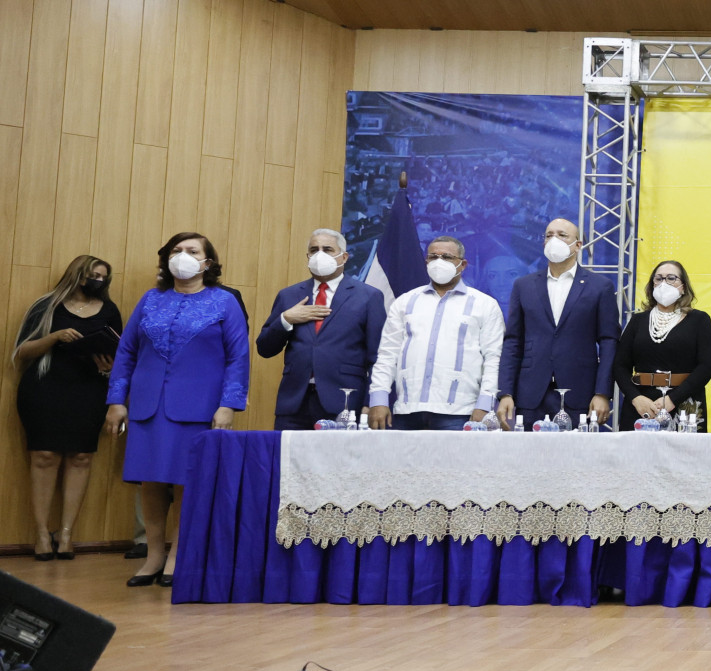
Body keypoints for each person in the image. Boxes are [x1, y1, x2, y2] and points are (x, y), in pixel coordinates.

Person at [104, 234, 250, 586]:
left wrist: (228, 405)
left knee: (188, 481)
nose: (183, 256)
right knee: (150, 481)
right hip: (147, 407)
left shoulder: (224, 301)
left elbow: (238, 357)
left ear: (208, 262)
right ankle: (154, 555)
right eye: (176, 251)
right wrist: (116, 400)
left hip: (198, 408)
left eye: (192, 251)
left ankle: (178, 555)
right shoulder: (151, 299)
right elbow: (126, 352)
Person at [14, 255, 120, 559]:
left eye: (103, 277)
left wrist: (108, 367)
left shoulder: (110, 310)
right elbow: (22, 351)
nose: (98, 281)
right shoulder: (46, 305)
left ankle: (66, 534)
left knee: (81, 457)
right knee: (44, 456)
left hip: (90, 389)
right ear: (77, 274)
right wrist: (55, 337)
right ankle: (41, 534)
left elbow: (120, 355)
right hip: (45, 387)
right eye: (93, 275)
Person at [366, 236, 505, 430]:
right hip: (407, 410)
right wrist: (378, 399)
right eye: (433, 257)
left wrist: (485, 405)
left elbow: (493, 358)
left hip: (460, 412)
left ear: (463, 264)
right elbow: (387, 354)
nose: (439, 262)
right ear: (426, 262)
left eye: (447, 257)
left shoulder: (484, 305)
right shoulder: (405, 302)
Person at [256, 228, 386, 430]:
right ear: (307, 257)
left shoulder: (368, 296)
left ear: (344, 257)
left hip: (344, 402)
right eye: (314, 250)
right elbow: (265, 348)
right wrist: (285, 319)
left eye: (327, 249)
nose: (320, 255)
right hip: (294, 402)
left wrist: (371, 402)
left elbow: (377, 356)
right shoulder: (289, 295)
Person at [497, 218, 618, 429]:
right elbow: (513, 341)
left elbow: (609, 342)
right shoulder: (524, 286)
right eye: (549, 235)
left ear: (578, 245)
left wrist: (602, 393)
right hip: (530, 394)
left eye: (562, 235)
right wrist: (506, 393)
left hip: (579, 394)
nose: (554, 240)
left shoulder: (600, 287)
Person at [615, 259, 711, 430]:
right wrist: (635, 398)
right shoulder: (638, 321)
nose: (664, 283)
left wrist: (672, 399)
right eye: (658, 278)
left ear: (683, 287)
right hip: (641, 406)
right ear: (652, 285)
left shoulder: (699, 320)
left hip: (685, 402)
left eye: (671, 278)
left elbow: (707, 365)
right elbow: (620, 365)